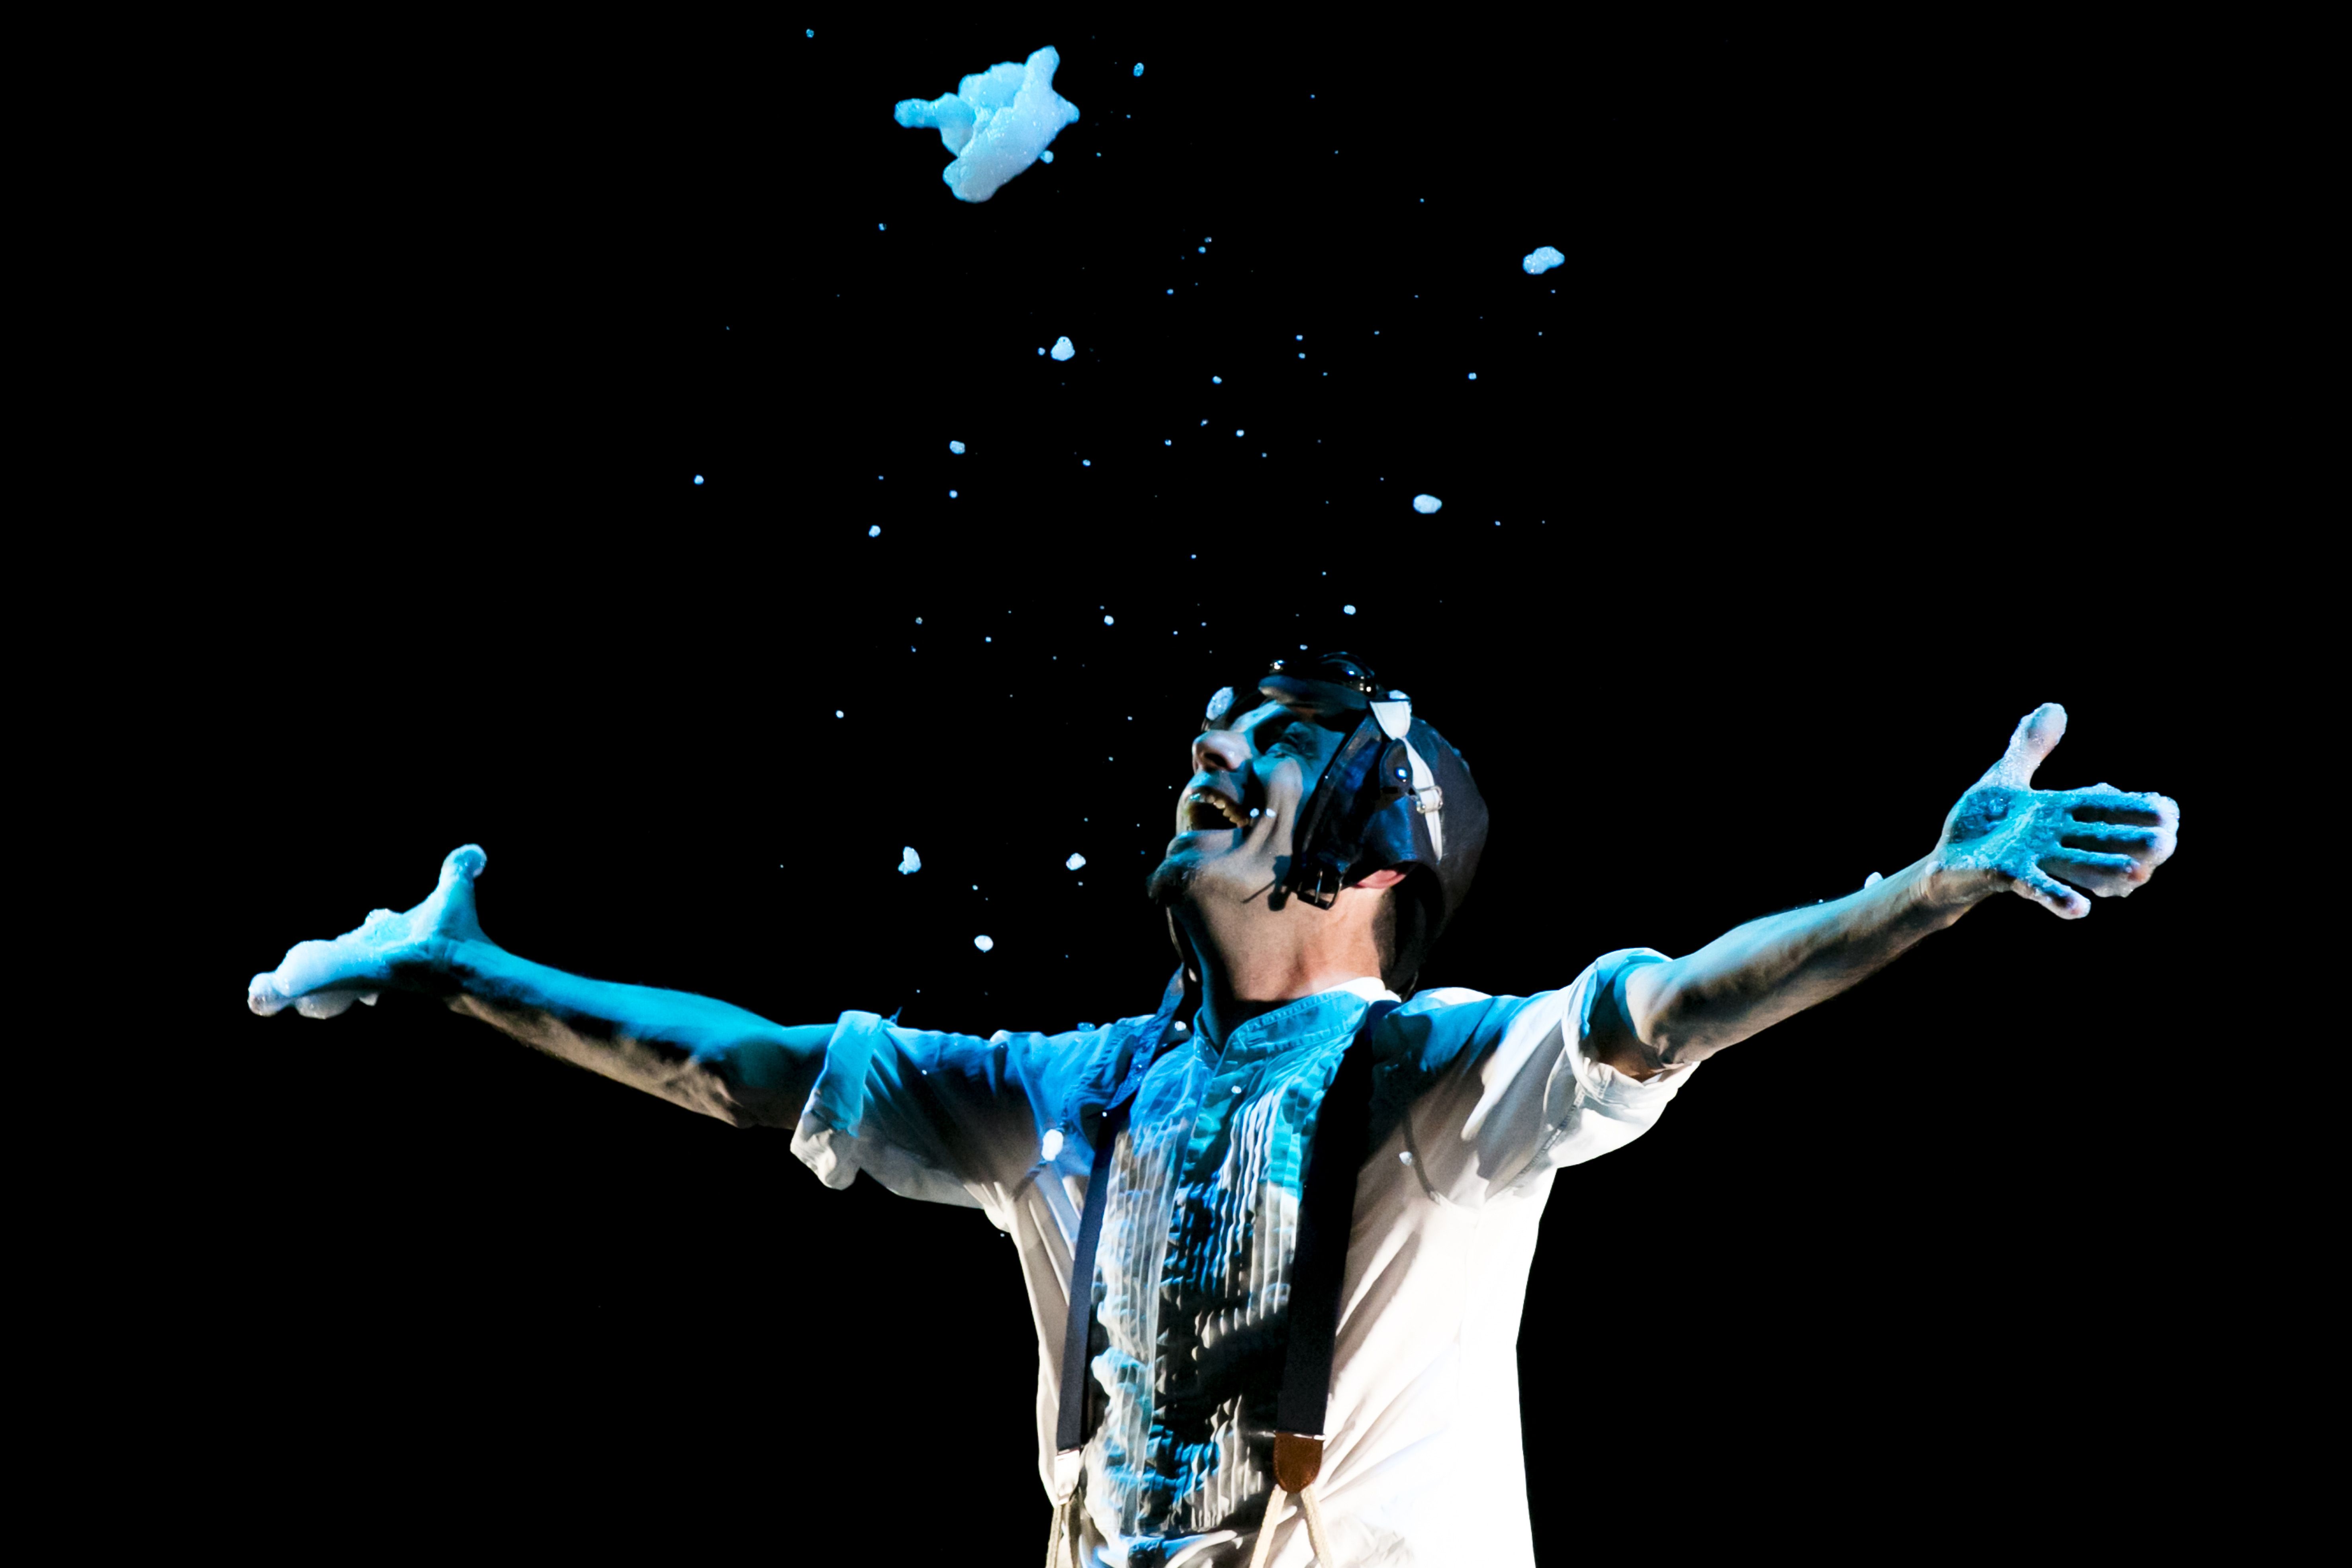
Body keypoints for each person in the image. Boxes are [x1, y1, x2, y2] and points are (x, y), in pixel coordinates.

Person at [246, 652, 2180, 1567]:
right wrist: (467, 974)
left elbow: (1675, 1004)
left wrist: (1922, 892)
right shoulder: (1073, 1091)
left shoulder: (1446, 1080)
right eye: (1216, 738)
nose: (1217, 751)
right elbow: (760, 1066)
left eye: (1277, 753)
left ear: (1376, 855)